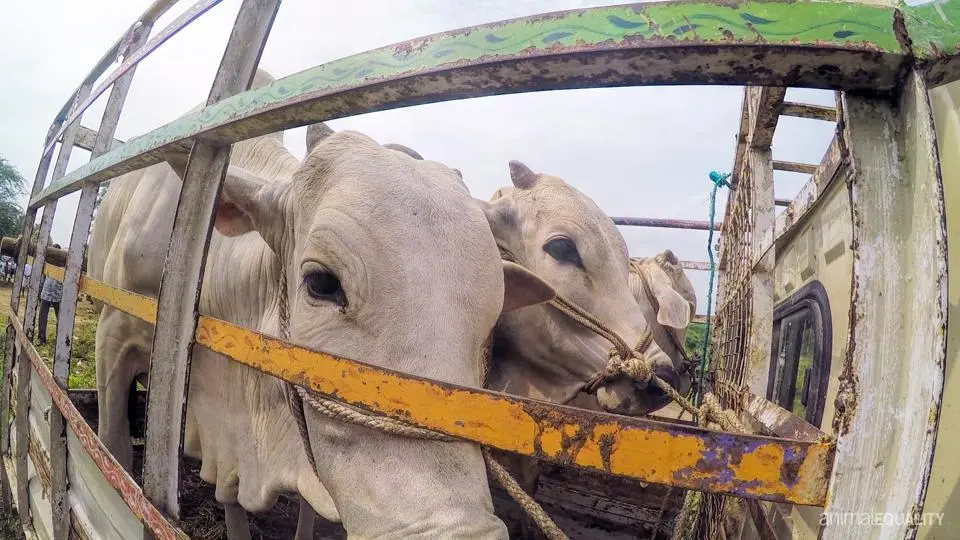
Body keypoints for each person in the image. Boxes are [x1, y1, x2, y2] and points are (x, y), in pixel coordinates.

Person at [37, 244, 62, 345]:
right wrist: (39, 293)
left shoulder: (63, 266)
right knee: (42, 317)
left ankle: (60, 340)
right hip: (46, 293)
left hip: (58, 295)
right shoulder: (47, 264)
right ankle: (41, 339)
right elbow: (42, 279)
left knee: (60, 318)